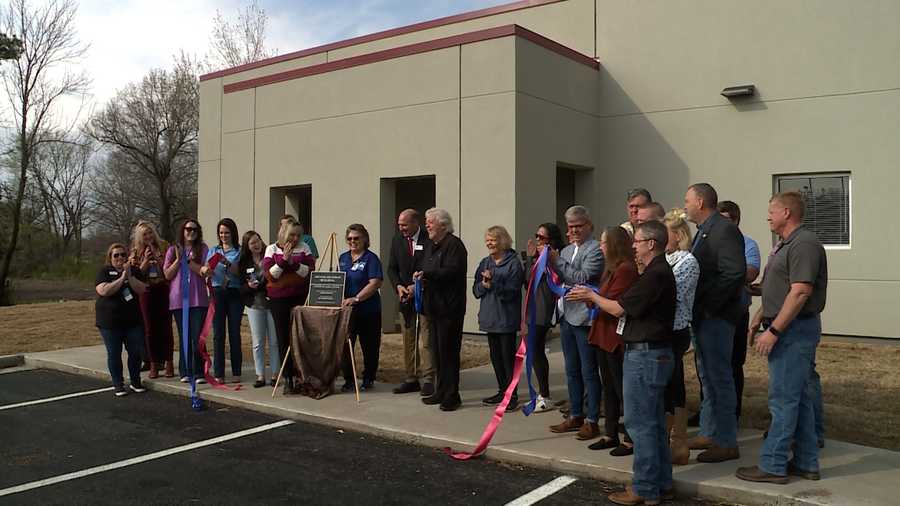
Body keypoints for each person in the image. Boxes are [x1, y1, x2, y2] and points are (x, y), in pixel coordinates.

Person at [573, 221, 677, 505]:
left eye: (638, 241)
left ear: (652, 244)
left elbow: (620, 307)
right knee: (653, 422)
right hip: (653, 353)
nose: (634, 246)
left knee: (640, 423)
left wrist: (592, 296)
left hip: (645, 355)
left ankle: (644, 488)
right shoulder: (656, 273)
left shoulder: (655, 274)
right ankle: (660, 483)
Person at [736, 192, 828, 484]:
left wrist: (773, 330)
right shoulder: (785, 245)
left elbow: (800, 292)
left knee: (783, 401)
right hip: (785, 326)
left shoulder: (805, 244)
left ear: (787, 213)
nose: (767, 217)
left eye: (771, 211)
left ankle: (773, 464)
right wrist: (759, 316)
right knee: (797, 399)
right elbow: (780, 287)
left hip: (794, 331)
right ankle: (806, 463)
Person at [683, 183, 746, 463]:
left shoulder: (724, 229)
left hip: (717, 318)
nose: (684, 205)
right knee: (708, 378)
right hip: (705, 317)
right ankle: (710, 431)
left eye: (687, 201)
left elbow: (734, 273)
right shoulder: (704, 231)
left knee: (720, 379)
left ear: (700, 202)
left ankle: (726, 441)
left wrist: (709, 307)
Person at [577, 226, 638, 455]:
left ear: (613, 245)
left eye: (603, 243)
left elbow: (614, 303)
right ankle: (610, 433)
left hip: (615, 336)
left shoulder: (626, 269)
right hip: (602, 334)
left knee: (622, 388)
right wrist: (588, 297)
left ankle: (630, 437)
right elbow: (600, 298)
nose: (600, 247)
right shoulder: (610, 269)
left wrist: (592, 296)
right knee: (608, 387)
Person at [548, 205, 604, 441]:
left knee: (588, 370)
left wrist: (556, 262)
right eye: (570, 227)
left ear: (589, 225)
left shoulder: (595, 250)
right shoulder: (567, 249)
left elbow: (582, 278)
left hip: (584, 317)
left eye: (578, 226)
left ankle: (592, 419)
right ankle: (576, 414)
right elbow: (559, 277)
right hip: (566, 315)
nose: (573, 231)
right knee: (571, 370)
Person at [416, 208, 467, 412]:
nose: (427, 225)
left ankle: (452, 395)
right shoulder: (430, 245)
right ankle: (440, 390)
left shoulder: (455, 245)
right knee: (437, 352)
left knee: (449, 353)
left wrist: (427, 274)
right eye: (426, 221)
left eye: (430, 222)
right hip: (433, 307)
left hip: (449, 309)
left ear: (443, 225)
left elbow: (452, 271)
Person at [663, 208, 701, 465]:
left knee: (674, 384)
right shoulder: (664, 259)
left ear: (677, 235)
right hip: (659, 330)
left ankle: (679, 442)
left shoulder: (687, 262)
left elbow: (672, 295)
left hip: (675, 330)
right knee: (664, 386)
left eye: (664, 234)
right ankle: (664, 437)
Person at [473, 225, 524, 411]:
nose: (489, 243)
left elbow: (511, 292)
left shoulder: (513, 264)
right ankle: (502, 391)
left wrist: (493, 283)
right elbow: (476, 290)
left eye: (493, 240)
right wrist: (484, 286)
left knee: (507, 359)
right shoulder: (485, 262)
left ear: (502, 241)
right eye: (487, 240)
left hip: (506, 319)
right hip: (489, 318)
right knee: (496, 358)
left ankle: (512, 395)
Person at [263, 219, 316, 394]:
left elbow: (308, 271)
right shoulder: (271, 249)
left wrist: (292, 263)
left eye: (298, 235)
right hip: (278, 299)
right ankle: (288, 377)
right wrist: (283, 261)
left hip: (299, 297)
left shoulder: (304, 248)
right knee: (283, 337)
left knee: (300, 336)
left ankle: (302, 375)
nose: (295, 238)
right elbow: (271, 276)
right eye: (292, 234)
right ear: (284, 233)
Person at [387, 209, 436, 396]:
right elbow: (391, 268)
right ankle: (411, 377)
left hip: (425, 296)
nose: (401, 228)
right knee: (409, 339)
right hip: (405, 298)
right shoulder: (397, 240)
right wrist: (399, 286)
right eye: (399, 225)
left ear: (416, 223)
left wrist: (417, 286)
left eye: (405, 225)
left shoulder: (428, 238)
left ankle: (429, 378)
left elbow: (431, 265)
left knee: (427, 339)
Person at [96, 243, 148, 397]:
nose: (120, 258)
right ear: (110, 257)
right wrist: (121, 279)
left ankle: (135, 381)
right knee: (114, 353)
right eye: (116, 255)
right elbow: (104, 290)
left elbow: (142, 289)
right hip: (110, 322)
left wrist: (129, 276)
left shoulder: (134, 271)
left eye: (122, 255)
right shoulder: (104, 271)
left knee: (135, 352)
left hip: (133, 321)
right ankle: (118, 384)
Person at [523, 222, 565, 412]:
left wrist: (545, 259)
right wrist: (530, 258)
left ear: (551, 240)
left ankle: (545, 394)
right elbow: (527, 282)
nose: (538, 240)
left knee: (536, 350)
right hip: (533, 307)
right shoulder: (538, 258)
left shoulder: (555, 257)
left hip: (544, 307)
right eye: (537, 236)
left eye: (542, 237)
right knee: (534, 351)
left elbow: (556, 280)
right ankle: (543, 392)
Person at [339, 224, 384, 391]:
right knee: (345, 346)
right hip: (347, 312)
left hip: (368, 311)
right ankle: (349, 380)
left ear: (364, 239)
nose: (352, 241)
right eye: (349, 238)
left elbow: (375, 283)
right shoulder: (342, 258)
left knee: (370, 347)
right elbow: (337, 281)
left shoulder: (371, 259)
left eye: (356, 238)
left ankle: (368, 378)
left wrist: (356, 298)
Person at [164, 219, 210, 384]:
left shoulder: (203, 249)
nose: (191, 232)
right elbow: (167, 275)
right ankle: (185, 371)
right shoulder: (172, 249)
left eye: (195, 230)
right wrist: (178, 260)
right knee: (184, 336)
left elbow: (205, 270)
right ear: (182, 231)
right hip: (178, 299)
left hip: (198, 299)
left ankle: (199, 372)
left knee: (197, 337)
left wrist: (189, 262)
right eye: (188, 229)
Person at [130, 221, 173, 379]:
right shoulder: (136, 251)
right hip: (146, 290)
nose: (148, 237)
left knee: (166, 326)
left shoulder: (164, 246)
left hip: (163, 288)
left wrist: (156, 256)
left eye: (150, 233)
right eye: (144, 235)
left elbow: (168, 269)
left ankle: (169, 362)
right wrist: (146, 262)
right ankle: (153, 363)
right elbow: (136, 274)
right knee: (150, 329)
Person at [236, 230, 279, 388]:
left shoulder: (270, 257)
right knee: (258, 342)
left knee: (274, 341)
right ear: (247, 246)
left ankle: (275, 373)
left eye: (258, 240)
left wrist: (263, 285)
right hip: (254, 305)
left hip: (271, 304)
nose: (257, 244)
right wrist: (248, 286)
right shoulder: (243, 263)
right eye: (252, 242)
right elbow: (240, 287)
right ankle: (260, 375)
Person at [203, 218, 243, 384]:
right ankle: (219, 372)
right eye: (221, 233)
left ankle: (236, 371)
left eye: (226, 232)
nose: (224, 235)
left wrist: (226, 262)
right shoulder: (213, 250)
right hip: (217, 292)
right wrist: (206, 270)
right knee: (218, 334)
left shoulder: (239, 251)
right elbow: (206, 268)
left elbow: (239, 272)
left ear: (232, 233)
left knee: (234, 332)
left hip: (234, 292)